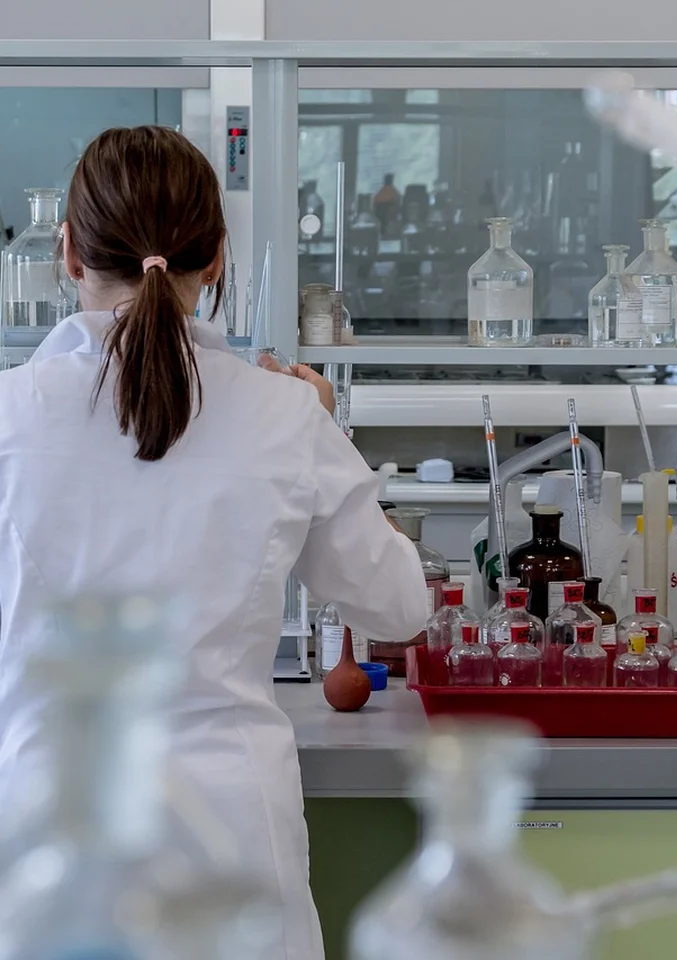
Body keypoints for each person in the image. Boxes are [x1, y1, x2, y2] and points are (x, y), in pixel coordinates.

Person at [0, 127, 427, 958]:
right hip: (233, 848)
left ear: (69, 255)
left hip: (45, 842)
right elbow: (400, 607)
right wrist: (328, 435)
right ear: (219, 258)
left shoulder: (7, 414)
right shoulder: (285, 413)